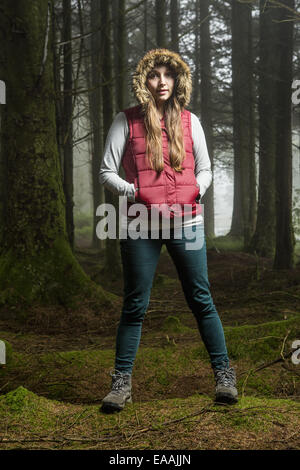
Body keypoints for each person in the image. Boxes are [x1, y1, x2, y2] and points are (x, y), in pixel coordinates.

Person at [99, 48, 238, 413]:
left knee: (201, 300)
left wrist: (197, 189)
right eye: (153, 75)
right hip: (138, 225)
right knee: (135, 305)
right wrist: (133, 191)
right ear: (144, 81)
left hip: (187, 222)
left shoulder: (191, 122)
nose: (161, 81)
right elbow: (106, 171)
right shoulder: (125, 121)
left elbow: (206, 168)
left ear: (177, 80)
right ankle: (121, 385)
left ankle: (224, 377)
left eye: (167, 75)